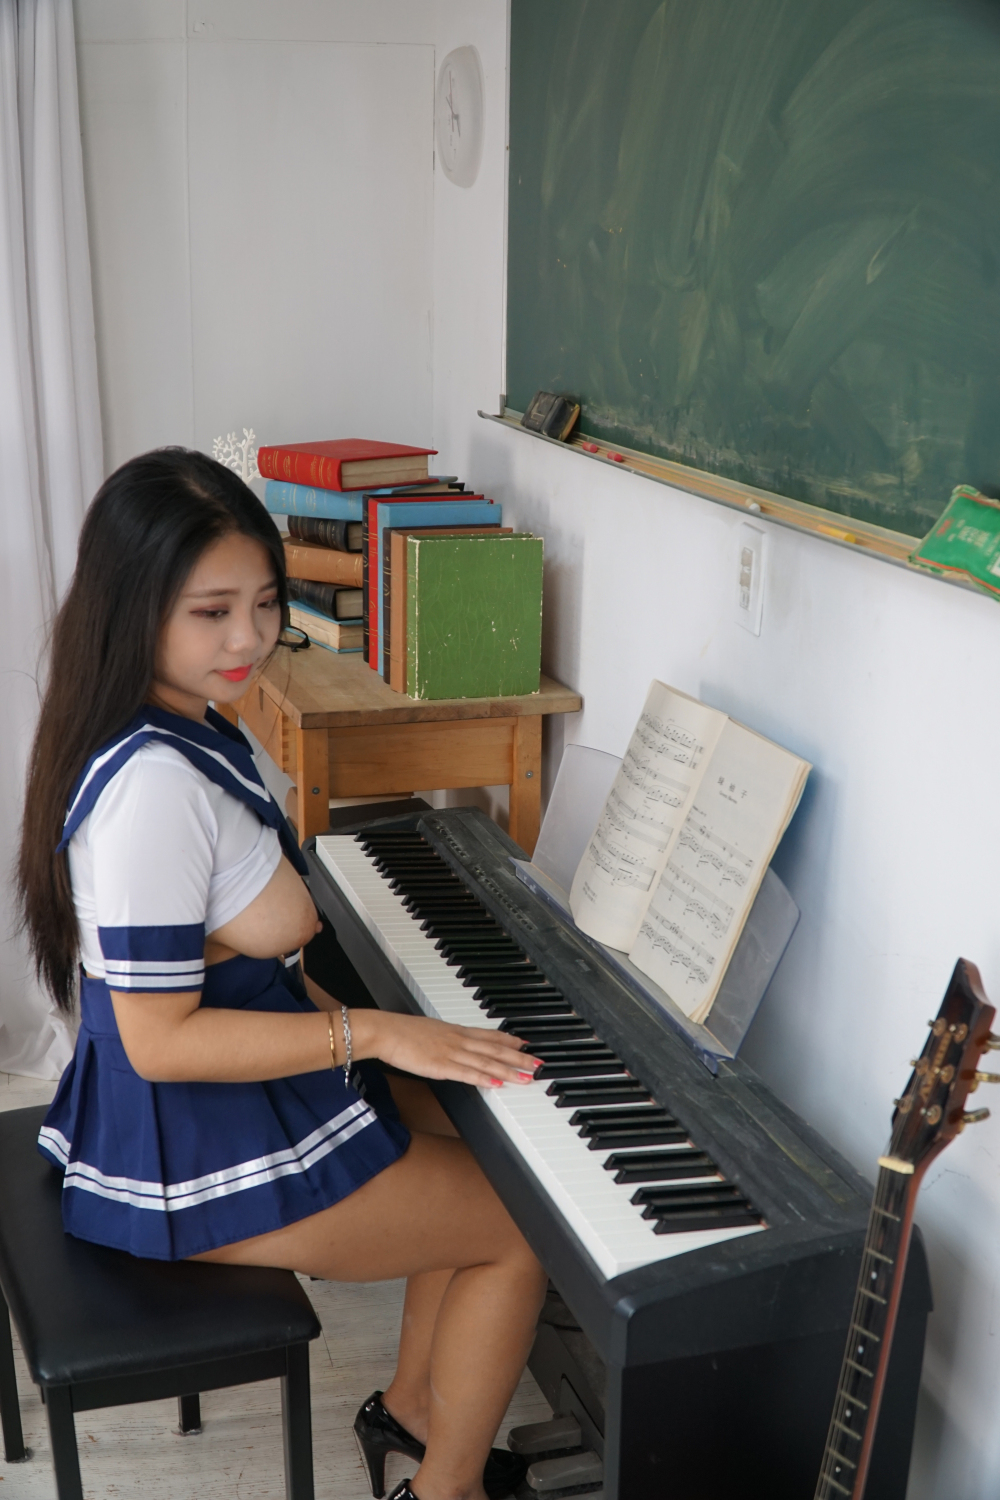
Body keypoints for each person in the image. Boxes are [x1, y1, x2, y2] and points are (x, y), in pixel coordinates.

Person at [17, 449, 549, 1500]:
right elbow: (160, 1042)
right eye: (211, 612)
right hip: (188, 1136)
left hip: (218, 1092)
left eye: (265, 603)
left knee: (459, 1122)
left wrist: (383, 1035)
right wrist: (374, 1033)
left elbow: (235, 955)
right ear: (133, 607)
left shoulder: (180, 720)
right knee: (521, 1227)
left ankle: (411, 1412)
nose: (249, 638)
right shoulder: (152, 789)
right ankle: (444, 1492)